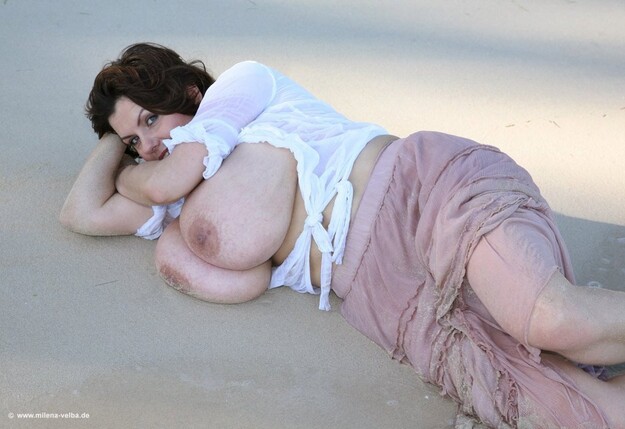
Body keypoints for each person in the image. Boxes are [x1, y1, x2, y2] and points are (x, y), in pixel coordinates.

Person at [60, 43, 625, 428]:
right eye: (134, 143)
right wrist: (114, 138)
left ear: (186, 92)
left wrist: (131, 172)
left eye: (151, 120)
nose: (150, 145)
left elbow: (167, 179)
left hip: (417, 195)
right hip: (391, 299)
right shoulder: (173, 199)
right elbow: (79, 213)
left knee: (551, 321)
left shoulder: (240, 90)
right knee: (584, 412)